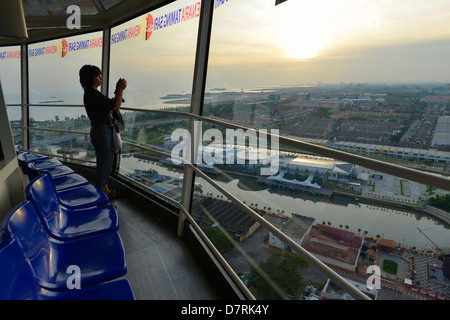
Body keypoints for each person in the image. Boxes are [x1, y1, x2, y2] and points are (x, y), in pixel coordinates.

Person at [79, 64, 127, 199]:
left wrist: (118, 91)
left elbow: (109, 105)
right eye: (98, 75)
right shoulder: (92, 94)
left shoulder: (91, 94)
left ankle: (104, 191)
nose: (101, 77)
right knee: (104, 164)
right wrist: (120, 90)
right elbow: (115, 107)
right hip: (102, 132)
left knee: (105, 162)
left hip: (101, 131)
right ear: (91, 78)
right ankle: (99, 199)